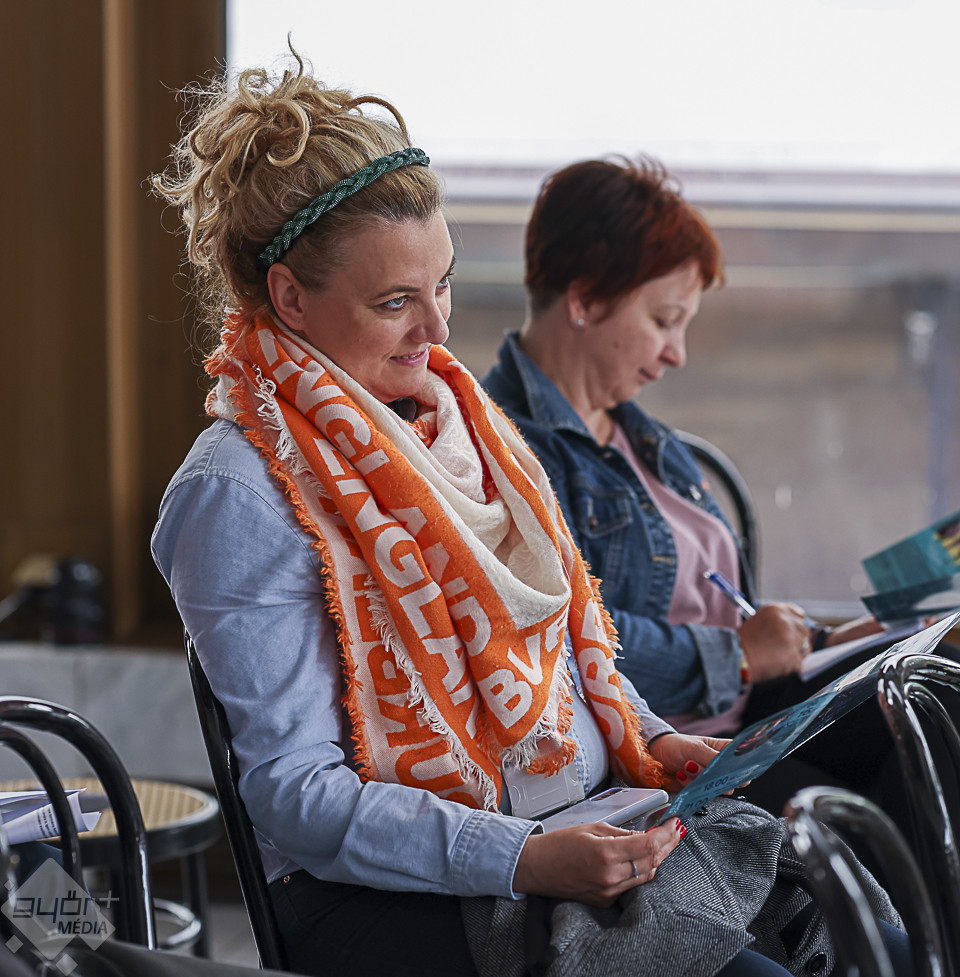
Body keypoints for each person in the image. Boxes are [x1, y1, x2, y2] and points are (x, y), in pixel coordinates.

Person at [148, 55, 907, 977]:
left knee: (874, 937)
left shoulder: (460, 426)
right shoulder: (235, 490)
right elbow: (298, 800)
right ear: (289, 298)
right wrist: (523, 858)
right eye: (395, 302)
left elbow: (563, 663)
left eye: (442, 284)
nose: (437, 329)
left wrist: (651, 737)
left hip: (561, 823)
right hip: (375, 896)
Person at [481, 157, 960, 973]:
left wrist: (819, 641)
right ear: (585, 298)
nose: (677, 353)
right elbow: (558, 646)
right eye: (665, 320)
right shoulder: (503, 453)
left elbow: (709, 597)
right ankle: (959, 959)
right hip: (678, 742)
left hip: (746, 699)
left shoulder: (644, 439)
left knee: (941, 682)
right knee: (862, 799)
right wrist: (739, 654)